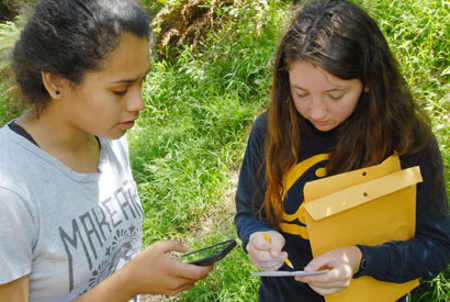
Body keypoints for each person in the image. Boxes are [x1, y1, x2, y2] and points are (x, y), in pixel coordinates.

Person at [234, 0, 450, 301]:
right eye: (301, 93)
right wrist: (256, 236)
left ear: (368, 82)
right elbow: (248, 211)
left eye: (335, 94)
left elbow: (436, 248)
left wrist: (361, 259)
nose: (317, 111)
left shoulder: (404, 139)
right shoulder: (270, 131)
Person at [0, 0, 213, 301]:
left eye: (143, 82)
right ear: (56, 82)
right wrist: (128, 283)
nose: (138, 103)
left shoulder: (108, 139)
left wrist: (138, 276)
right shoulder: (9, 193)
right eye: (120, 90)